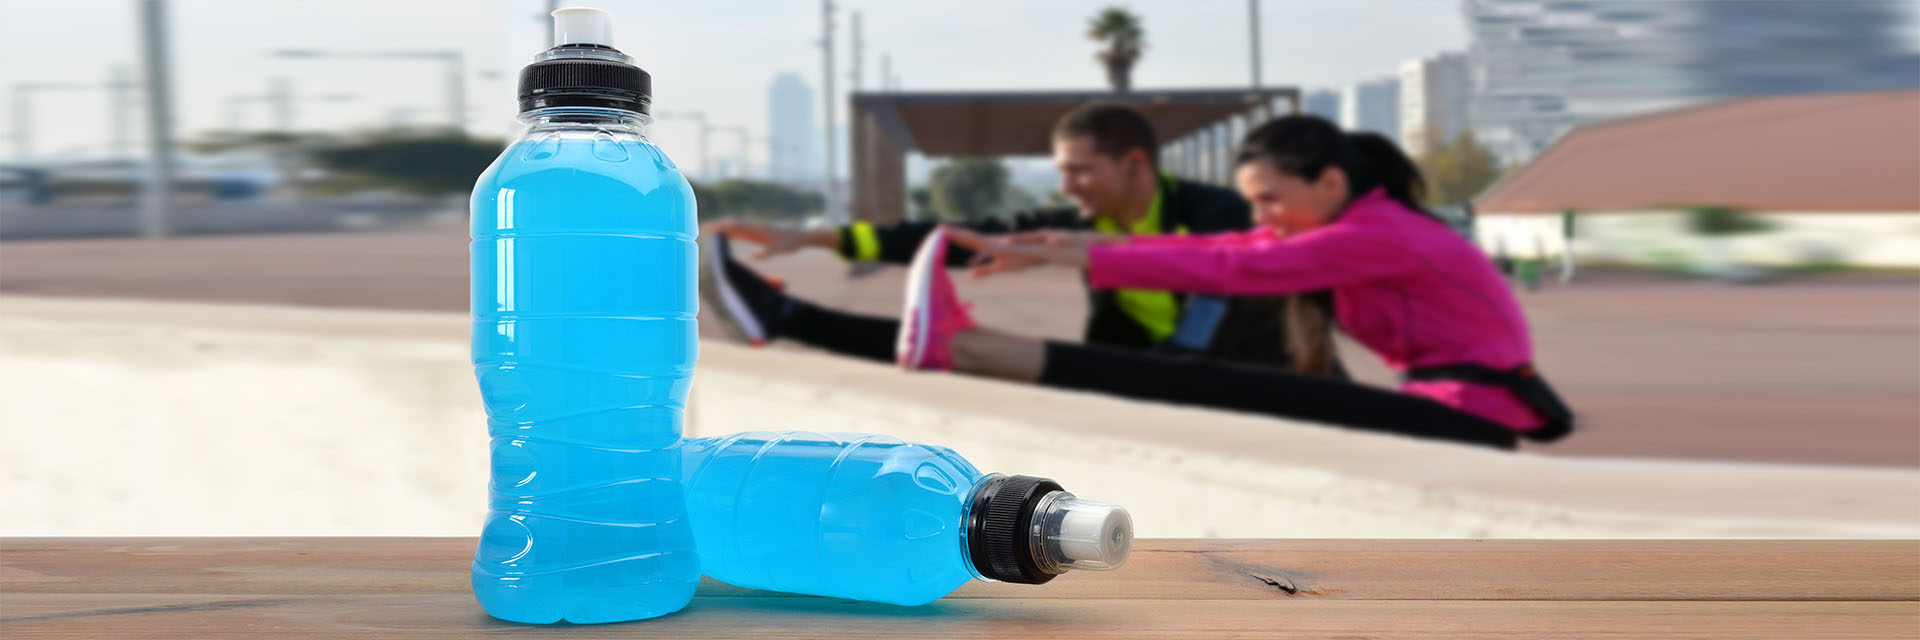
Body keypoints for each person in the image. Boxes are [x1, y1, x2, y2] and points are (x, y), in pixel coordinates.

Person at [885, 116, 1573, 449]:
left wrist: (1073, 254)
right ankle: (963, 344)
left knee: (1222, 386)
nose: (1261, 217)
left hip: (1474, 416)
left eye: (1271, 199)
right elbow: (1219, 246)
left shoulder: (1379, 234)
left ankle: (964, 345)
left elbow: (1234, 268)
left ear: (1330, 184)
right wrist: (1056, 246)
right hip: (1450, 407)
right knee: (1228, 389)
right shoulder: (1358, 224)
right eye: (1253, 201)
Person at [702, 102, 1345, 376]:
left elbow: (1223, 299)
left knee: (975, 351)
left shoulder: (1215, 213)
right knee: (942, 346)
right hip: (1146, 374)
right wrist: (810, 236)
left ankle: (783, 314)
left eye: (1081, 171)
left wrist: (1159, 370)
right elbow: (954, 239)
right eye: (1061, 171)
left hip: (1260, 380)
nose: (1067, 186)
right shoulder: (1082, 224)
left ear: (1134, 165)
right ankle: (783, 314)